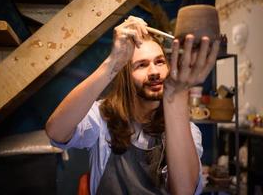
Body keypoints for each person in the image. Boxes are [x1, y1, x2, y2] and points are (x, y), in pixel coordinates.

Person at [45, 16, 220, 195]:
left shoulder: (186, 130)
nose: (154, 72)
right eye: (141, 65)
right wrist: (112, 63)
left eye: (159, 62)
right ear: (126, 76)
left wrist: (176, 96)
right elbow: (56, 131)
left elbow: (184, 191)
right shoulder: (103, 117)